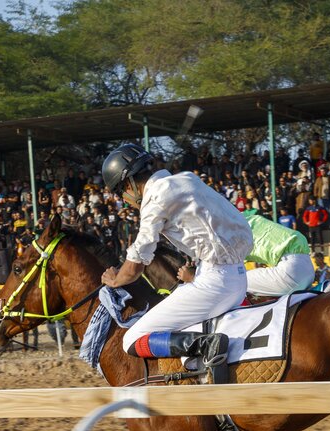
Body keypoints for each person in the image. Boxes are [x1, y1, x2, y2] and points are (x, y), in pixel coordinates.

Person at [100, 144, 252, 384]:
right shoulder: (187, 179)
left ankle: (207, 346)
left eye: (121, 194)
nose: (125, 201)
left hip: (214, 282)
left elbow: (135, 267)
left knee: (132, 338)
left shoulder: (155, 201)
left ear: (128, 185)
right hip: (237, 275)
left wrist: (115, 279)